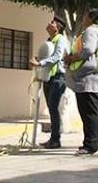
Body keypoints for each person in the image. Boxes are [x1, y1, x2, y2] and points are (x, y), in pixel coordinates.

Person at [64, 8, 98, 156]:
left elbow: (88, 50)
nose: (83, 18)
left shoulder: (91, 31)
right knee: (91, 111)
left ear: (91, 18)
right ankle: (91, 142)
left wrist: (71, 58)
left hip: (88, 77)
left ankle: (91, 145)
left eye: (85, 15)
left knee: (88, 112)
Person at [29, 16, 68, 149]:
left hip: (58, 78)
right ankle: (53, 138)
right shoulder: (49, 40)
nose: (49, 23)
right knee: (52, 109)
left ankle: (56, 139)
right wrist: (37, 58)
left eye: (52, 22)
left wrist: (40, 63)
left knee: (53, 108)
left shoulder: (60, 39)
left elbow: (57, 56)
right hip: (48, 77)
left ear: (57, 27)